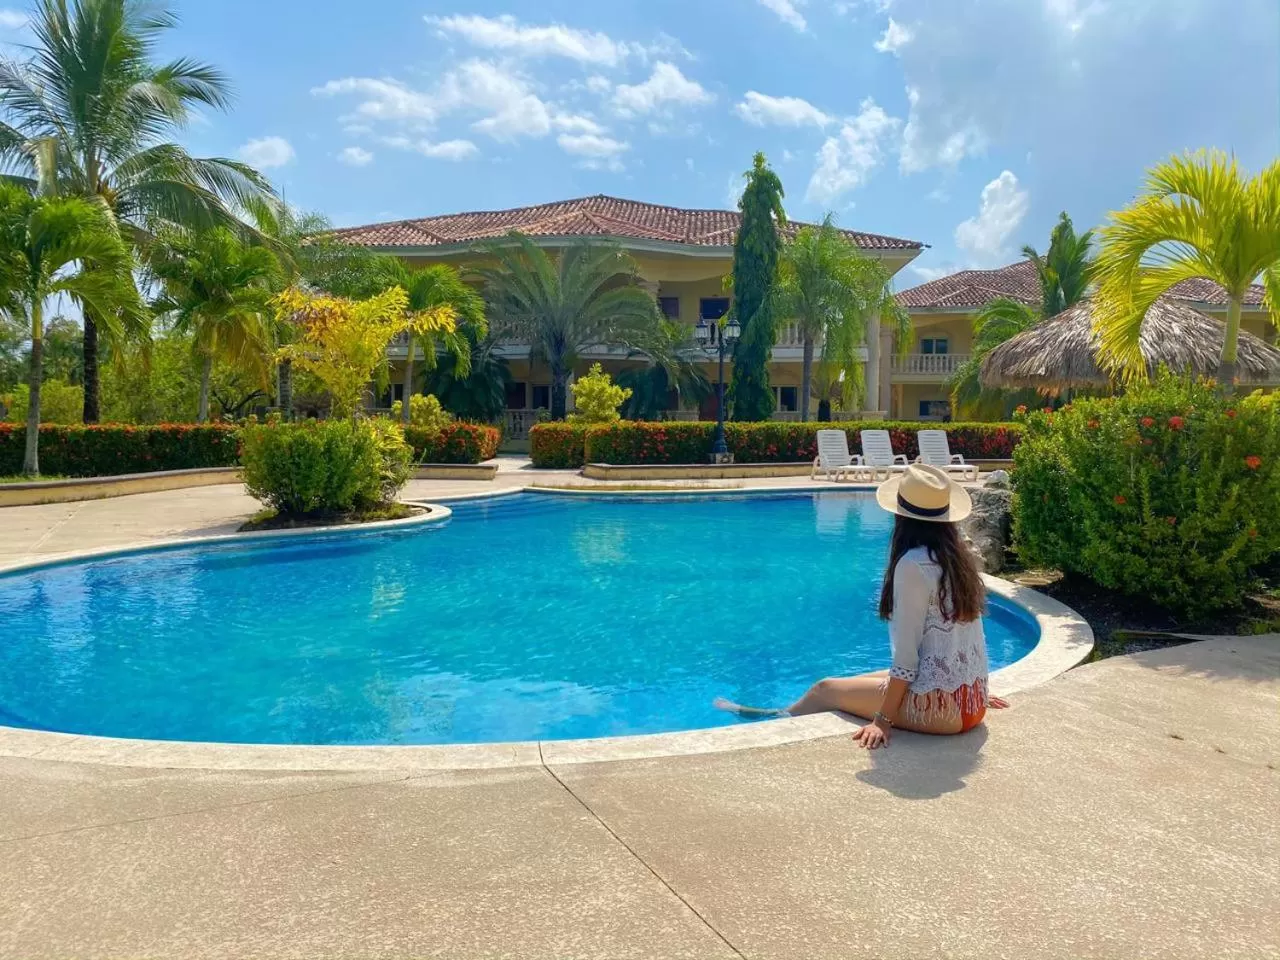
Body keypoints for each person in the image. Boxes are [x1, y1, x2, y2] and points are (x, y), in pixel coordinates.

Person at [714, 463, 1006, 749]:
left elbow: (906, 659)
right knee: (858, 680)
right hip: (972, 703)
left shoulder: (913, 565)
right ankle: (783, 712)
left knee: (824, 689)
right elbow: (968, 637)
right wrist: (970, 684)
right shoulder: (957, 559)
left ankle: (775, 719)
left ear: (901, 516)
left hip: (941, 712)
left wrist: (882, 720)